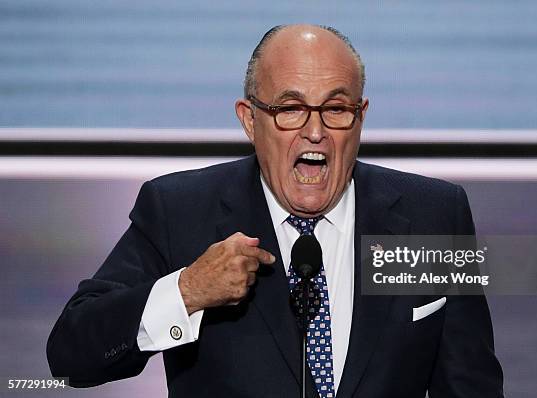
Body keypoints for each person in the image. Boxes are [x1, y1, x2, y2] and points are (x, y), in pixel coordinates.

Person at [47, 24, 503, 397]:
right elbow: (72, 354)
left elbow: (470, 385)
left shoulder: (431, 218)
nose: (315, 131)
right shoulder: (180, 211)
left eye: (336, 109)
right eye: (290, 109)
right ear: (249, 119)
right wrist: (186, 292)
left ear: (360, 116)